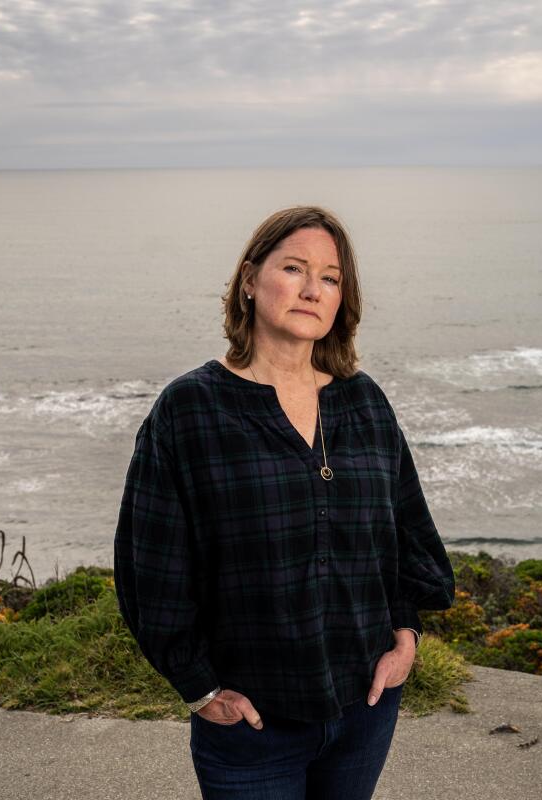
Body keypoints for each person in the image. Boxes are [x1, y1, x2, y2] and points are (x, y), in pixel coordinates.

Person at [114, 205, 455, 799]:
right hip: (251, 728)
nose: (311, 288)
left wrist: (407, 634)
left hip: (365, 712)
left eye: (329, 277)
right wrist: (198, 687)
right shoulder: (190, 409)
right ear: (249, 280)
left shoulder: (364, 402)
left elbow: (401, 535)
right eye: (293, 268)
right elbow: (151, 567)